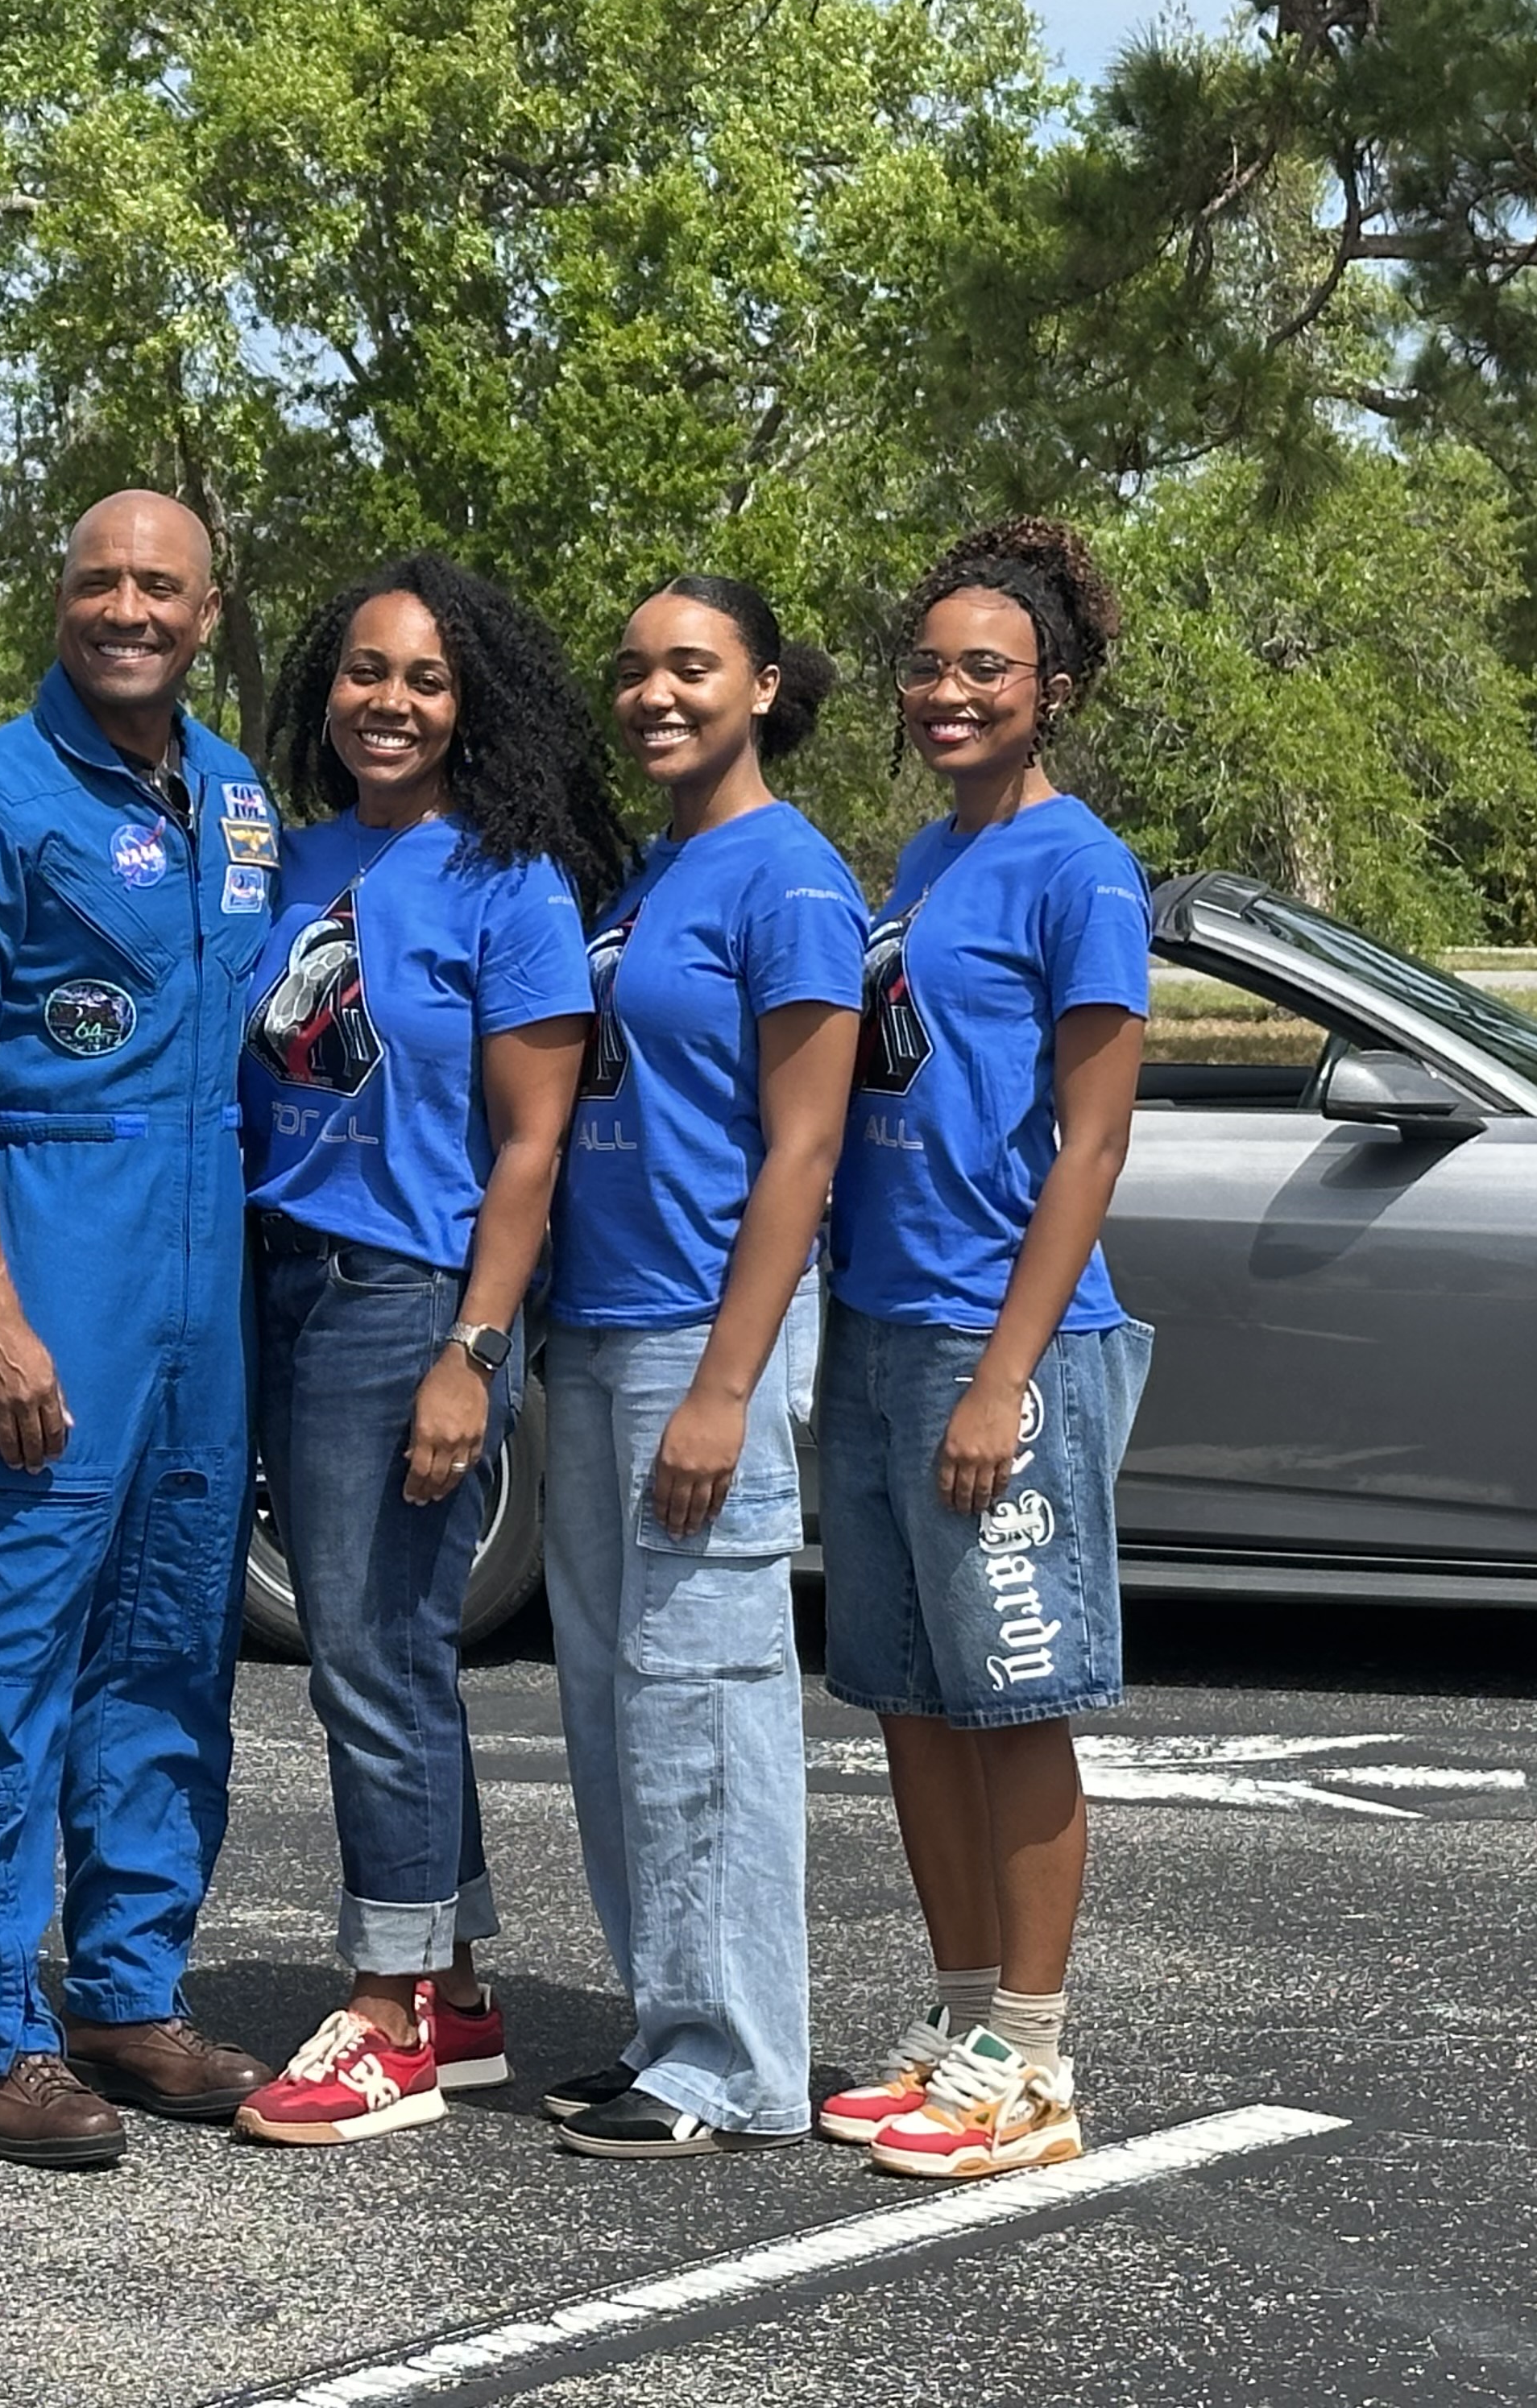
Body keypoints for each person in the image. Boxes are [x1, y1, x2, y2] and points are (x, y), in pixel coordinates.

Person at [0, 489, 280, 2169]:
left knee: (176, 1646)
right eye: (102, 579)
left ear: (204, 606)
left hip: (207, 1286)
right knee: (13, 1651)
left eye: (161, 585)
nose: (130, 607)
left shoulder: (242, 798)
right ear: (62, 596)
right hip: (54, 1271)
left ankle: (126, 1989)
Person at [223, 555, 618, 2148]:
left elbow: (529, 1151)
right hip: (277, 1282)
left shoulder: (509, 881)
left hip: (404, 1295)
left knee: (372, 1649)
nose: (389, 702)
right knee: (379, 1642)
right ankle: (449, 1986)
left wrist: (473, 1346)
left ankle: (385, 2015)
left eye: (426, 680)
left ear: (476, 707)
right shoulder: (292, 856)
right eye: (366, 671)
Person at [816, 519, 1153, 2180]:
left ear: (1053, 693)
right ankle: (958, 2025)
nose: (948, 692)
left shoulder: (1078, 864)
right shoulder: (923, 861)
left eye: (986, 670)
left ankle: (1032, 2058)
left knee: (1014, 1700)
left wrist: (1009, 1374)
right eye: (930, 666)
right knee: (912, 1699)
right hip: (884, 1326)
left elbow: (1092, 1143)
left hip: (995, 1343)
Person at [536, 577, 865, 2160]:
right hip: (597, 1323)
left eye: (691, 667)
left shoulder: (787, 878)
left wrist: (731, 1387)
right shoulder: (654, 870)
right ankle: (669, 2024)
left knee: (708, 1699)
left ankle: (739, 2061)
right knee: (615, 1708)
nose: (655, 693)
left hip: (698, 1333)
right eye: (635, 668)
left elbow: (806, 1151)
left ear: (763, 685)